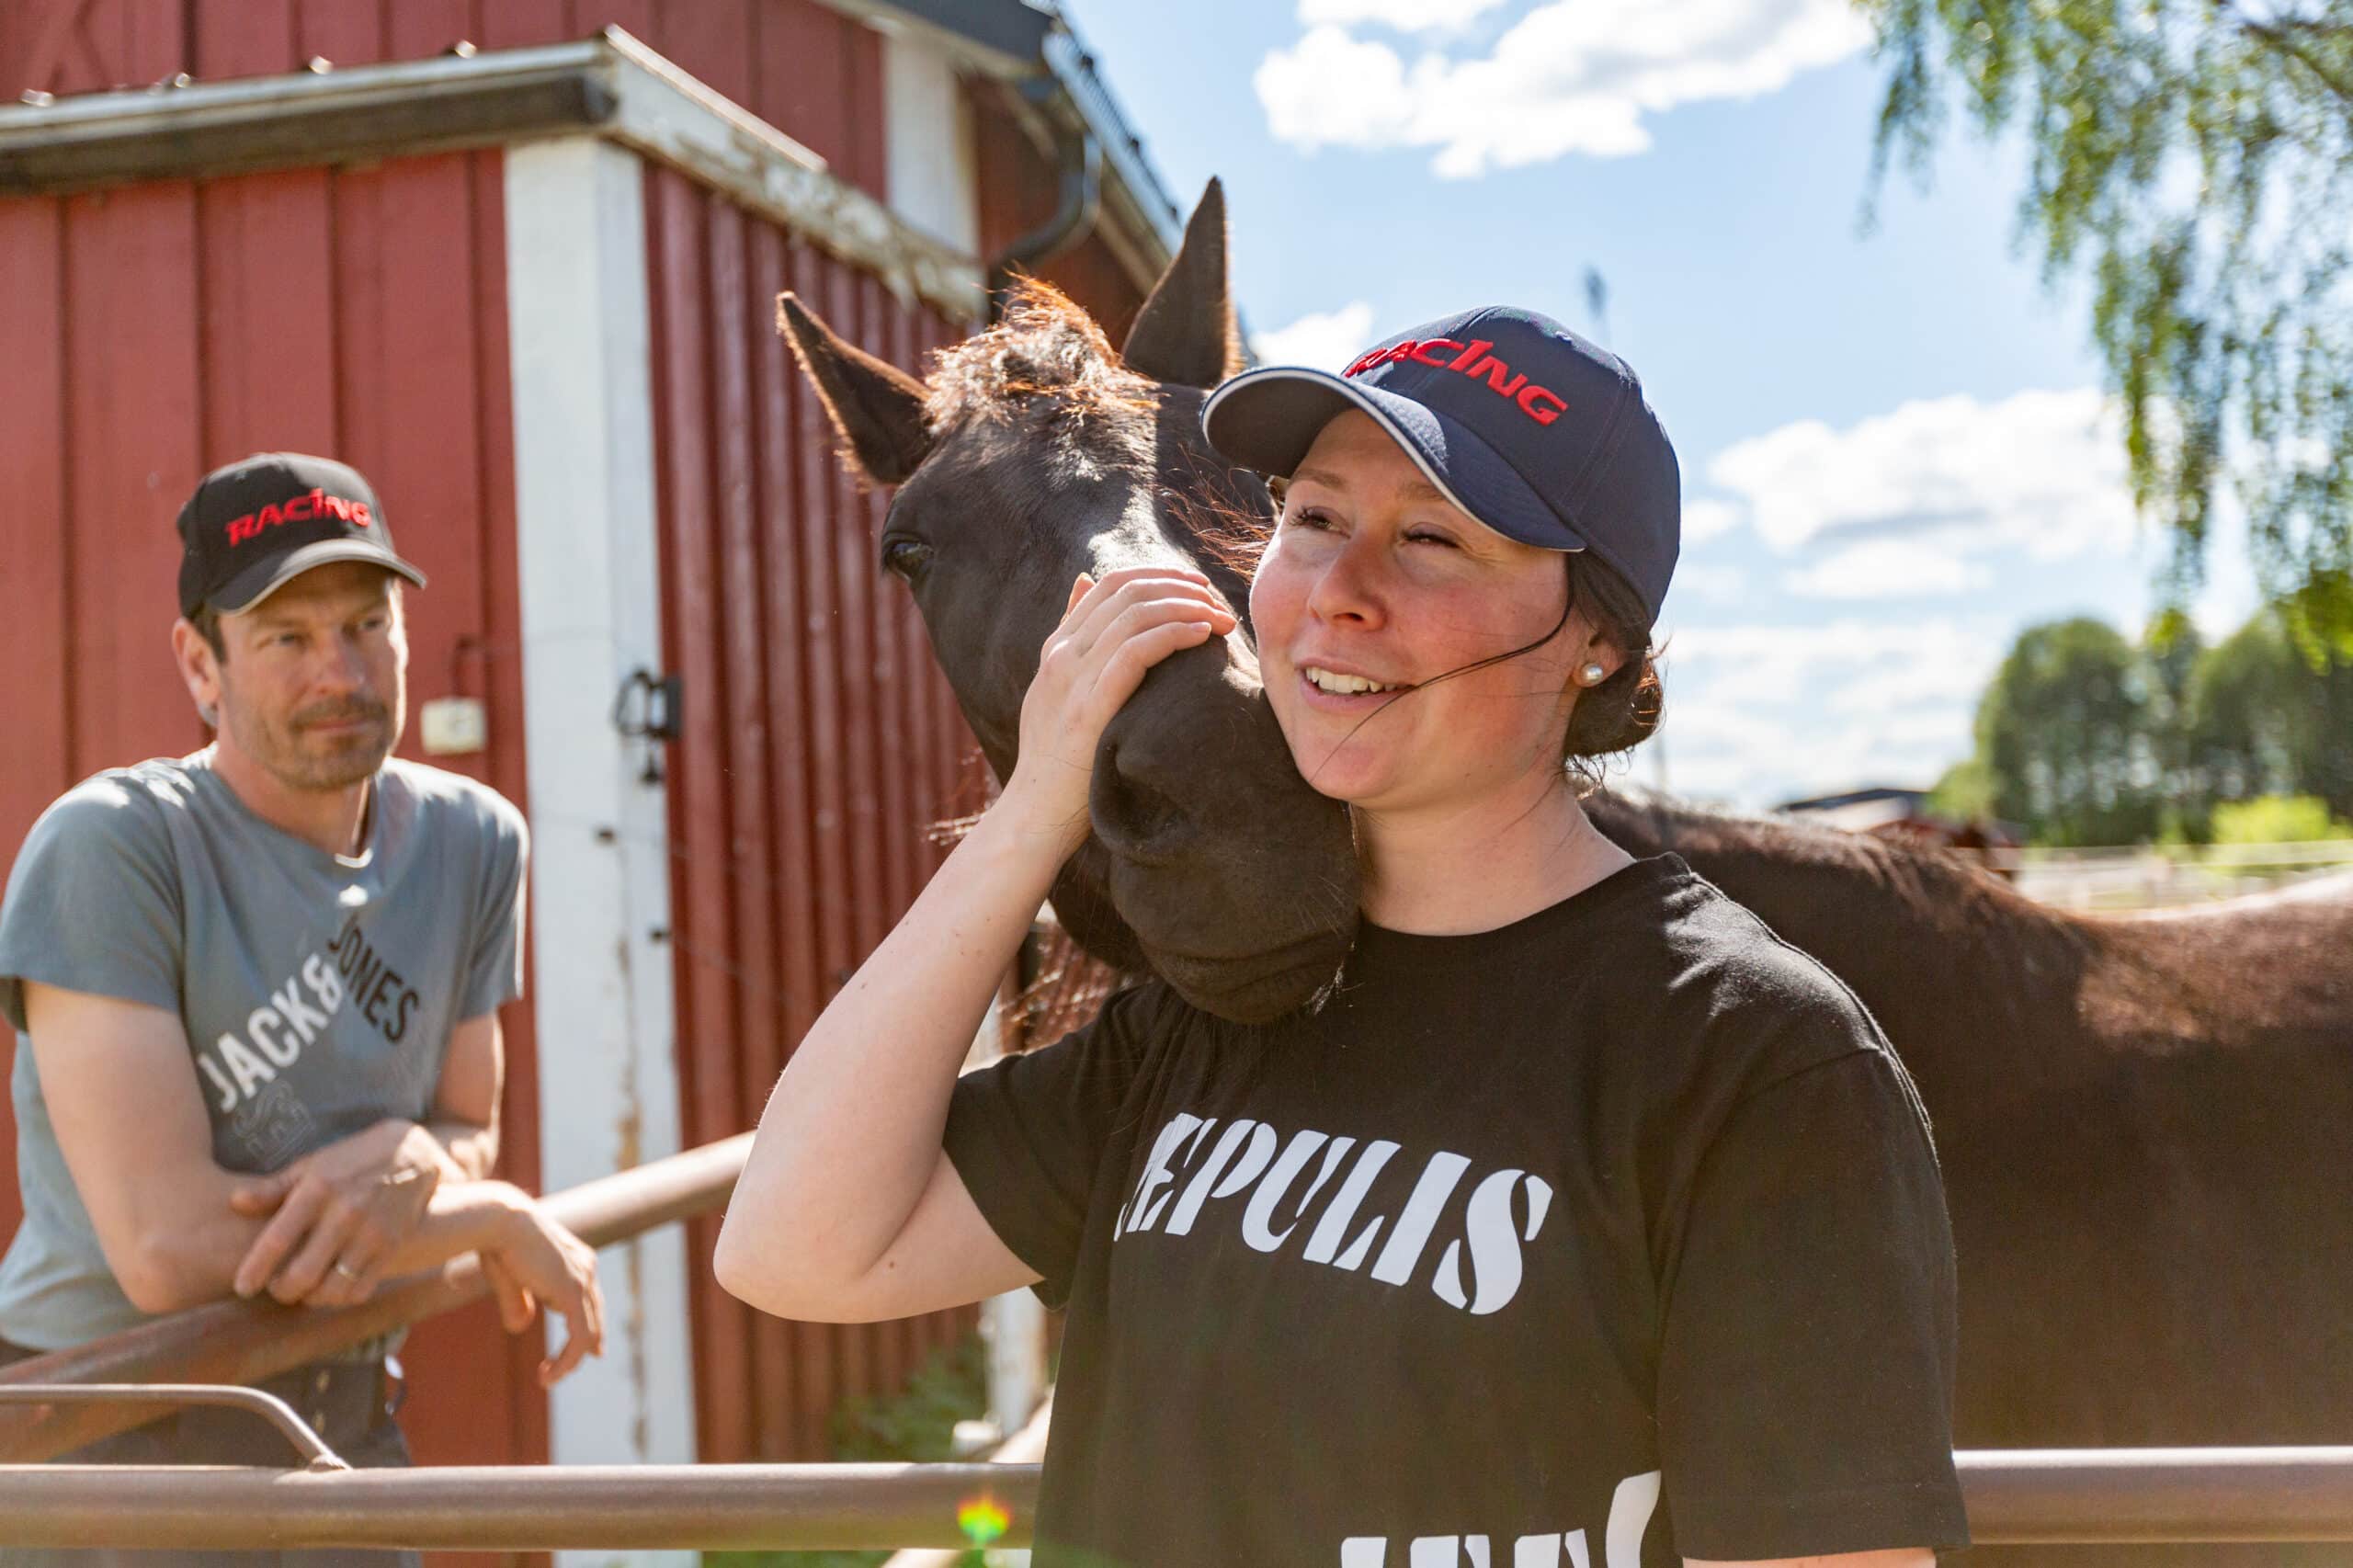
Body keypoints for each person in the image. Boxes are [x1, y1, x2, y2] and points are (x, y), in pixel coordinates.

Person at [714, 311, 1967, 1567]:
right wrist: (1038, 802)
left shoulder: (1751, 1060)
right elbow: (797, 1246)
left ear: (1596, 642)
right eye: (1311, 520)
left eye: (1430, 539)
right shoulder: (1209, 1017)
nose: (1337, 596)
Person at [0, 452, 604, 1568]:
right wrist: (491, 1215)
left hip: (340, 1397)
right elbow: (168, 1246)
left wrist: (415, 1155)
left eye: (368, 624)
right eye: (286, 637)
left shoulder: (473, 842)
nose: (342, 670)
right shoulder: (113, 846)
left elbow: (469, 1125)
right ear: (201, 662)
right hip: (113, 1424)